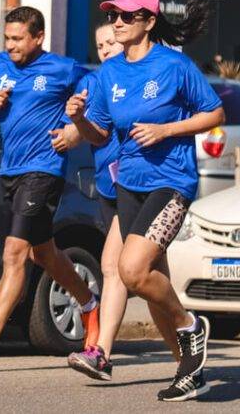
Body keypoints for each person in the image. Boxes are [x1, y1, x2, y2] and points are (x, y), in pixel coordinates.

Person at [66, 0, 225, 402]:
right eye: (113, 15)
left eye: (126, 16)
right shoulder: (110, 73)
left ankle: (191, 327)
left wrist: (167, 130)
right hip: (128, 184)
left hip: (171, 182)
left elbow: (215, 112)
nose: (117, 22)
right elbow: (100, 135)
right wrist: (80, 120)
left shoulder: (174, 65)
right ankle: (190, 371)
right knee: (154, 283)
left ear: (149, 21)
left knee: (132, 270)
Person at [0, 6, 99, 367]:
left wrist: (74, 127)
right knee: (43, 254)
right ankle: (89, 305)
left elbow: (96, 96)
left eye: (18, 39)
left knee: (14, 253)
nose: (11, 45)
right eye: (8, 38)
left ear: (38, 37)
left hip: (44, 169)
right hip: (11, 170)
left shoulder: (62, 68)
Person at [60, 23, 182, 381]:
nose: (105, 49)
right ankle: (186, 358)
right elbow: (89, 131)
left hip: (141, 189)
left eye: (111, 42)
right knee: (153, 284)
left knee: (113, 266)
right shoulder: (98, 82)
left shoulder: (139, 80)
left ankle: (101, 353)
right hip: (111, 190)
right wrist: (73, 126)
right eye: (99, 45)